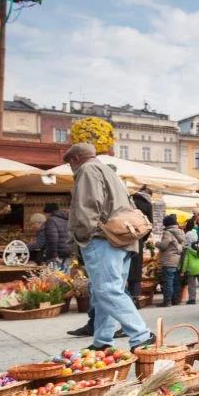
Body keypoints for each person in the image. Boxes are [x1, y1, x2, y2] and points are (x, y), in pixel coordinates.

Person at [64, 143, 154, 351]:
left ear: (76, 159)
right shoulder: (107, 170)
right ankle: (102, 341)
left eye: (69, 162)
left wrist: (81, 236)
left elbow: (87, 207)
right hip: (121, 239)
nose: (70, 167)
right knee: (103, 291)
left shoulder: (87, 170)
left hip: (103, 239)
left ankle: (141, 335)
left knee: (106, 290)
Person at [126, 186, 153, 298]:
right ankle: (135, 297)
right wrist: (143, 238)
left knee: (124, 267)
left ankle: (124, 297)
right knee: (136, 269)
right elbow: (149, 225)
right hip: (138, 239)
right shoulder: (147, 204)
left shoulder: (129, 200)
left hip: (124, 238)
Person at [29, 203, 73, 267]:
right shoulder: (66, 219)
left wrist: (53, 256)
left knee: (56, 275)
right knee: (65, 275)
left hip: (57, 255)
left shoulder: (51, 220)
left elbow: (53, 239)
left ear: (48, 212)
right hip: (68, 253)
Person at [157, 214, 185, 307]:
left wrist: (156, 243)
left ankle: (167, 301)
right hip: (178, 259)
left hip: (169, 259)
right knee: (176, 281)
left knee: (168, 281)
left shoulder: (168, 233)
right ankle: (176, 300)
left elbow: (164, 246)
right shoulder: (180, 231)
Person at [180, 231, 199, 305]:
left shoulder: (188, 249)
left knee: (191, 285)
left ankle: (192, 299)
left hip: (192, 269)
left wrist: (183, 270)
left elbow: (186, 261)